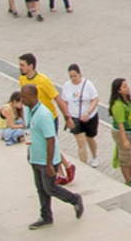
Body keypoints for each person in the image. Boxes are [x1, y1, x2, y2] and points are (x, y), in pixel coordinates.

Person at [20, 84, 85, 229]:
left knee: (50, 188)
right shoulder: (27, 110)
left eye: (24, 97)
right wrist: (30, 153)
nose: (22, 99)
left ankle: (74, 199)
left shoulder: (43, 114)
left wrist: (50, 164)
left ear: (33, 96)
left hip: (46, 160)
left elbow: (51, 139)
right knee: (40, 189)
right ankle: (46, 216)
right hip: (35, 157)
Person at [59, 65, 100, 165]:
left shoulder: (88, 84)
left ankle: (94, 156)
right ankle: (84, 164)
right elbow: (64, 102)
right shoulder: (67, 86)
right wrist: (67, 116)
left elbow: (95, 99)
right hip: (75, 118)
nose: (73, 78)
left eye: (75, 76)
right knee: (81, 143)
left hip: (89, 117)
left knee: (90, 139)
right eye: (71, 76)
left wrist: (88, 112)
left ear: (80, 74)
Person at [108, 79, 131, 190]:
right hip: (122, 132)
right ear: (118, 90)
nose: (127, 88)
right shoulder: (118, 105)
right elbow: (120, 124)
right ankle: (128, 180)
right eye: (124, 87)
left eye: (126, 85)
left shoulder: (127, 100)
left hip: (130, 131)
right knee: (125, 156)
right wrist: (124, 140)